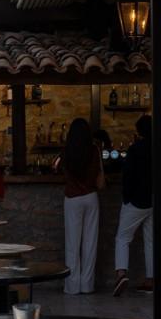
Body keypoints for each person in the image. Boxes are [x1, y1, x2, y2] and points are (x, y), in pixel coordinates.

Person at [113, 115, 161, 296]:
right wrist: (160, 178)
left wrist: (126, 197)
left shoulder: (135, 149)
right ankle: (151, 280)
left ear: (140, 131)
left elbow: (127, 175)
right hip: (155, 200)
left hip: (136, 200)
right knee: (151, 240)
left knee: (123, 237)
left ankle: (121, 274)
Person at [62, 117, 105, 294]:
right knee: (90, 242)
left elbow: (58, 169)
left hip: (72, 198)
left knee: (73, 244)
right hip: (91, 197)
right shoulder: (94, 150)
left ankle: (72, 286)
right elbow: (100, 177)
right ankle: (87, 285)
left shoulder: (66, 151)